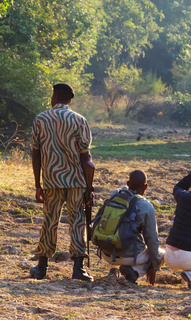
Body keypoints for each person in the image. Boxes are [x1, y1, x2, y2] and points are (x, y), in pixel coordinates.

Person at [30, 83, 94, 281]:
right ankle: (78, 268)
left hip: (51, 180)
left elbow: (36, 153)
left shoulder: (40, 120)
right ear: (69, 100)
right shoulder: (79, 120)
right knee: (77, 221)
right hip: (76, 180)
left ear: (54, 97)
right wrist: (89, 188)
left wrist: (38, 184)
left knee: (50, 221)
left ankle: (41, 268)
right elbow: (87, 159)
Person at [97, 170, 165, 285]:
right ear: (146, 187)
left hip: (106, 252)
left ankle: (114, 269)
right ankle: (134, 272)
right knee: (162, 254)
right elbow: (151, 239)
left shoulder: (115, 195)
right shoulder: (146, 205)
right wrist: (155, 265)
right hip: (129, 256)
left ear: (128, 183)